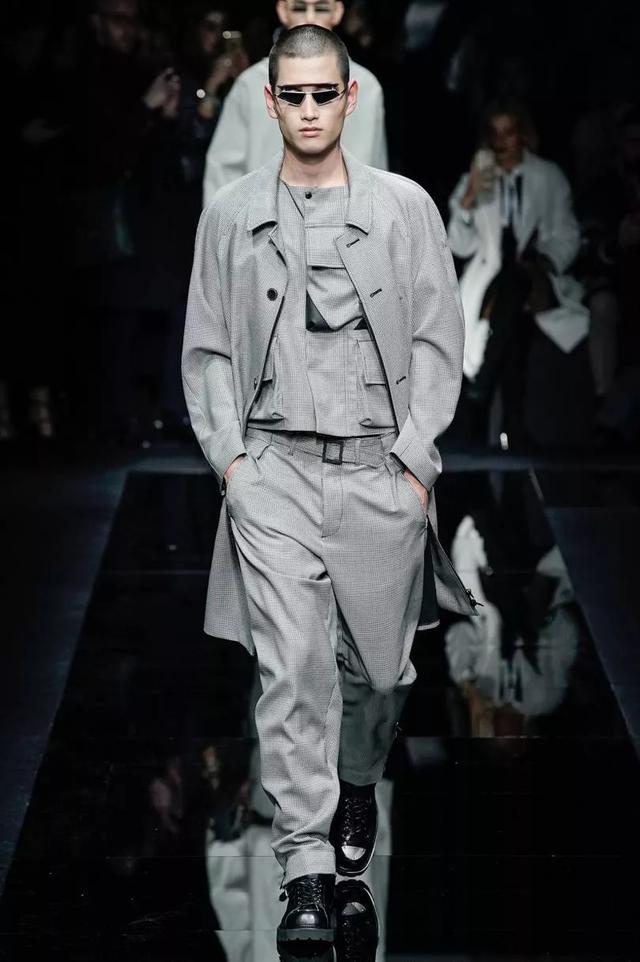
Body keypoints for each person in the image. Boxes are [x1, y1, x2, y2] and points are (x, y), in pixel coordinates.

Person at [182, 25, 476, 957]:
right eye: (292, 95)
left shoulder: (405, 208)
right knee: (292, 670)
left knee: (379, 677)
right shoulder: (230, 215)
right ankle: (305, 867)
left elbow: (437, 339)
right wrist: (234, 466)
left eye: (323, 94)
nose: (308, 111)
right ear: (270, 102)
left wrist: (417, 462)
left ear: (350, 99)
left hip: (378, 472)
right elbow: (207, 350)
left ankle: (357, 781)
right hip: (272, 473)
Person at [447, 100, 585, 447]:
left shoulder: (548, 177)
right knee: (509, 302)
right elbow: (458, 245)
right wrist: (469, 198)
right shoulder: (475, 178)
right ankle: (511, 427)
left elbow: (567, 234)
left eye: (508, 132)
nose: (501, 141)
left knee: (515, 284)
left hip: (536, 274)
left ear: (523, 134)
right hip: (489, 280)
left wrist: (545, 262)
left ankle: (483, 388)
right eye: (494, 133)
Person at [202, 0, 388, 206]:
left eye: (321, 8)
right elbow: (222, 170)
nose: (310, 18)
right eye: (299, 8)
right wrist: (224, 223)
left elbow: (376, 169)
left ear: (337, 12)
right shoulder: (251, 83)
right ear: (283, 11)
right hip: (262, 218)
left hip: (349, 217)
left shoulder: (367, 86)